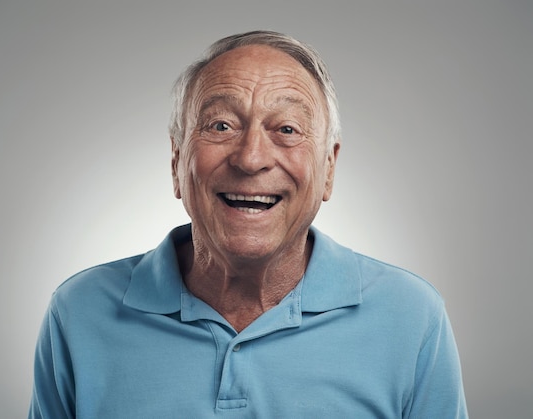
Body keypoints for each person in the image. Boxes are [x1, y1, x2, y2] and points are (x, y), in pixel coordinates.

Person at [28, 30, 468, 418]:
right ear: (178, 159)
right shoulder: (79, 312)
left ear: (329, 169)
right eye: (221, 125)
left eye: (288, 129)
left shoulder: (411, 317)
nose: (251, 158)